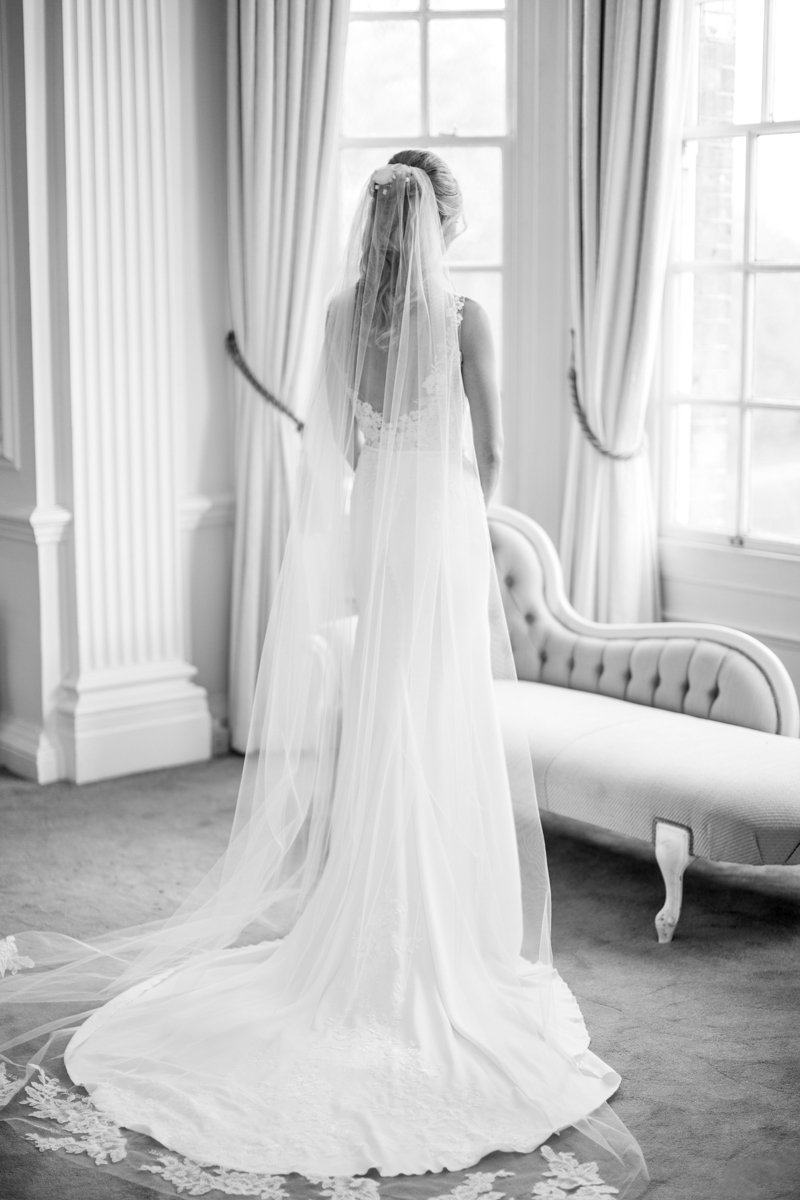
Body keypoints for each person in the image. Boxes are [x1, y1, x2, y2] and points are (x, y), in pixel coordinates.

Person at [0, 152, 647, 1196]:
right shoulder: (464, 318)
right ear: (437, 219)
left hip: (375, 518)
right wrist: (457, 514)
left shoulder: (346, 308)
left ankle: (372, 903)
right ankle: (430, 929)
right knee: (430, 720)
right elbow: (492, 452)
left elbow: (339, 446)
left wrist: (391, 485)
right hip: (434, 523)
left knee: (378, 713)